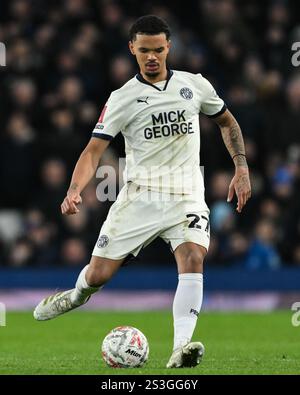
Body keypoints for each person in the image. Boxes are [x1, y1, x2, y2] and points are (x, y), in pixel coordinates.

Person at [34, 15, 251, 368]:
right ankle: (74, 296)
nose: (152, 57)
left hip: (186, 195)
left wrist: (241, 166)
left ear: (169, 48)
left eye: (159, 49)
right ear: (133, 49)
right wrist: (75, 189)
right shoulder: (123, 98)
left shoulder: (193, 85)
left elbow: (227, 121)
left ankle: (181, 348)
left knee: (194, 257)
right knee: (97, 276)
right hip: (140, 197)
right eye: (145, 50)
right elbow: (92, 150)